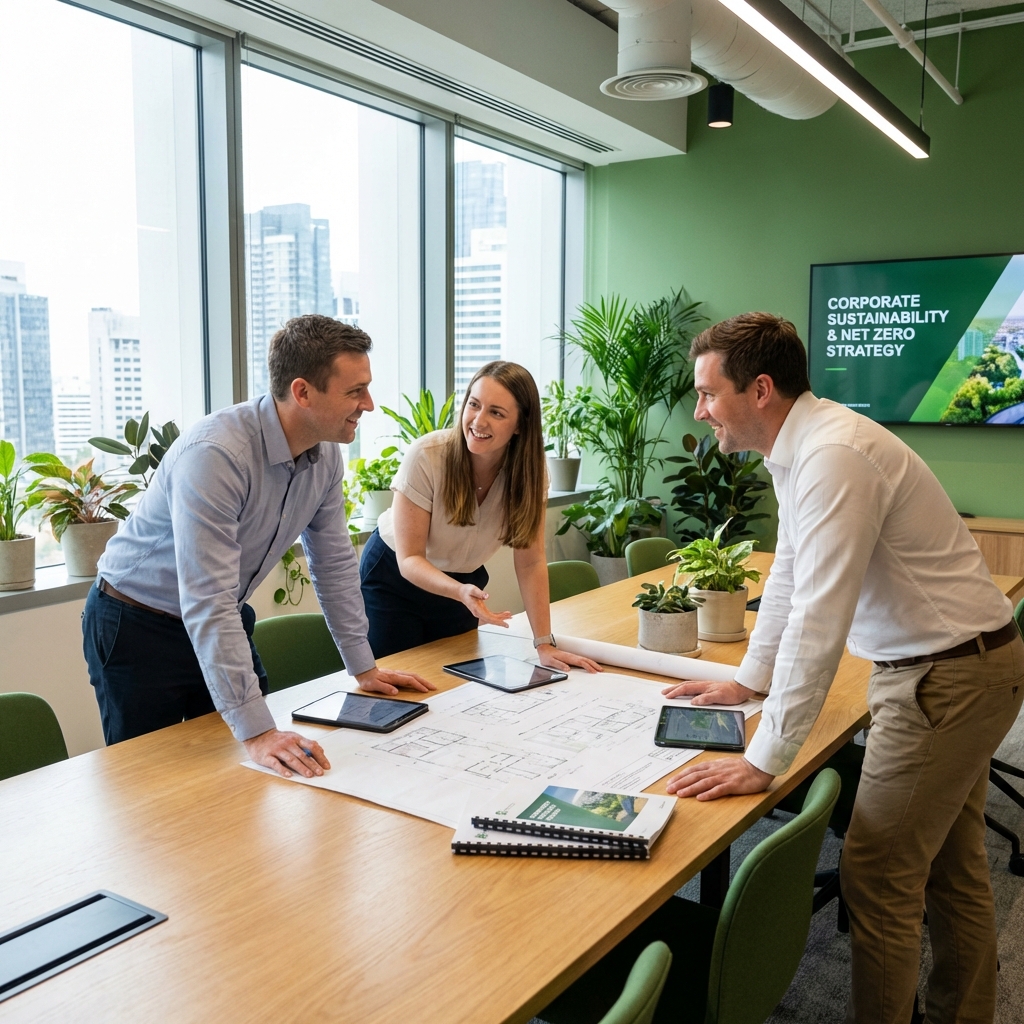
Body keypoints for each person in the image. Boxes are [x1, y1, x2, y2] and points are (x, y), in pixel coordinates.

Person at [661, 313, 1024, 1024]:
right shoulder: (798, 448)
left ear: (760, 389)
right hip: (958, 663)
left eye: (708, 395)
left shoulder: (835, 455)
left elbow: (821, 617)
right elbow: (792, 574)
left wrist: (766, 757)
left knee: (880, 874)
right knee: (950, 868)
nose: (700, 412)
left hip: (946, 679)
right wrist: (748, 682)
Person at [82, 314, 433, 780]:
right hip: (136, 624)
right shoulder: (217, 455)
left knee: (251, 774)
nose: (368, 404)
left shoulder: (325, 455)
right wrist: (256, 732)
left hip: (217, 615)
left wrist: (363, 667)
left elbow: (333, 564)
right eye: (354, 391)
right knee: (155, 781)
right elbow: (207, 600)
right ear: (303, 391)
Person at [360, 360, 599, 675]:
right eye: (474, 405)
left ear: (520, 425)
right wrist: (459, 591)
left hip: (463, 585)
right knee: (402, 682)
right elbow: (410, 560)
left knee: (456, 684)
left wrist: (544, 643)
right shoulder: (428, 456)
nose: (478, 421)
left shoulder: (530, 473)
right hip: (395, 578)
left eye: (496, 413)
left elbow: (530, 561)